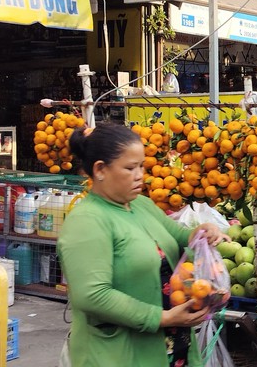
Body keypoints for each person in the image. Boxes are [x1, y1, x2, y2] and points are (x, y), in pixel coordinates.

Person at [58, 122, 229, 367]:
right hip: (120, 353)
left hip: (171, 345)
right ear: (100, 170)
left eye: (141, 166)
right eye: (130, 168)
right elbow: (92, 296)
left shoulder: (141, 205)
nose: (140, 175)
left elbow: (178, 237)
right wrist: (162, 317)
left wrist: (202, 232)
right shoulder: (87, 221)